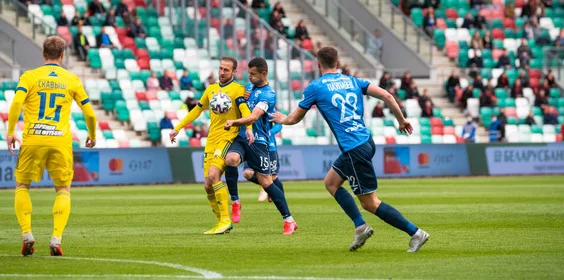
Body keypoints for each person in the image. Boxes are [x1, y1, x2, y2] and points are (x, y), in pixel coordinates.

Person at [271, 46, 428, 252]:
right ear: (338, 63)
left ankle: (415, 233)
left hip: (354, 149)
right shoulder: (353, 81)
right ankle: (360, 227)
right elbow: (388, 96)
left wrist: (281, 118)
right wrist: (401, 120)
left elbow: (293, 118)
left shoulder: (316, 87)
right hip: (365, 141)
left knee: (370, 203)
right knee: (331, 183)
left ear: (318, 64)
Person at [6, 36, 97, 257]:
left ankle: (27, 234)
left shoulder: (30, 76)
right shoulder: (71, 79)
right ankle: (56, 239)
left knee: (22, 185)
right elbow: (90, 113)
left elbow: (17, 102)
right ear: (63, 54)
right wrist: (92, 135)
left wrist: (10, 132)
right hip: (60, 140)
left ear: (43, 53)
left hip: (33, 138)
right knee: (63, 190)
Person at [169, 57, 253, 235]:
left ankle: (225, 219)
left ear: (234, 72)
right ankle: (220, 223)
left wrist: (249, 128)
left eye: (226, 70)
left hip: (227, 139)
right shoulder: (211, 89)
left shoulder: (238, 90)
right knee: (208, 185)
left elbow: (246, 111)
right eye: (220, 69)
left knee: (214, 175)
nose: (222, 73)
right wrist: (177, 128)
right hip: (211, 140)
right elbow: (197, 110)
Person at [223, 58, 297, 234]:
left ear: (263, 74)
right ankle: (235, 201)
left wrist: (233, 122)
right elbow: (239, 103)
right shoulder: (248, 88)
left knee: (266, 181)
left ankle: (289, 220)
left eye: (252, 74)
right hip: (242, 138)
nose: (249, 77)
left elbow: (254, 116)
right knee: (231, 159)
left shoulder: (268, 94)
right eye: (248, 73)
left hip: (259, 142)